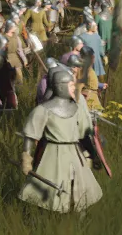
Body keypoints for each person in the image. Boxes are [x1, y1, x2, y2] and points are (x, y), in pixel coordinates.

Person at [18, 67, 103, 213]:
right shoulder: (43, 110)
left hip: (74, 153)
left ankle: (77, 215)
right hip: (52, 153)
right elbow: (31, 135)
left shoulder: (76, 108)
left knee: (79, 186)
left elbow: (83, 135)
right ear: (60, 86)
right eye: (70, 85)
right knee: (49, 188)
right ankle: (47, 214)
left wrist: (91, 154)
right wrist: (26, 158)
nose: (74, 88)